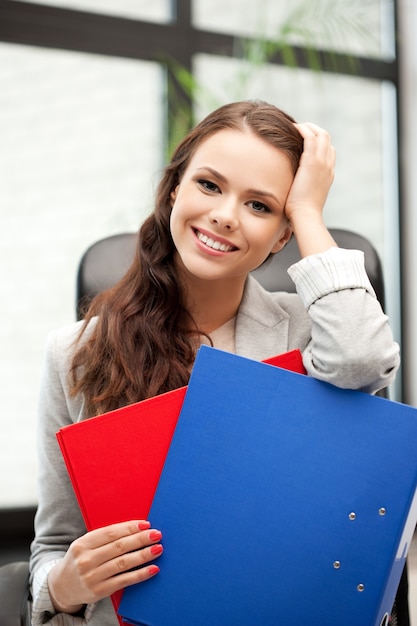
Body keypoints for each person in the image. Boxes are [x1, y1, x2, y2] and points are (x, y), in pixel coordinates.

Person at [29, 100, 400, 625]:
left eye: (260, 206)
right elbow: (55, 547)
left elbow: (365, 361)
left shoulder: (313, 329)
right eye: (209, 184)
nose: (225, 214)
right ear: (174, 187)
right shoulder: (74, 352)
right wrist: (65, 585)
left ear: (283, 235)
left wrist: (311, 213)